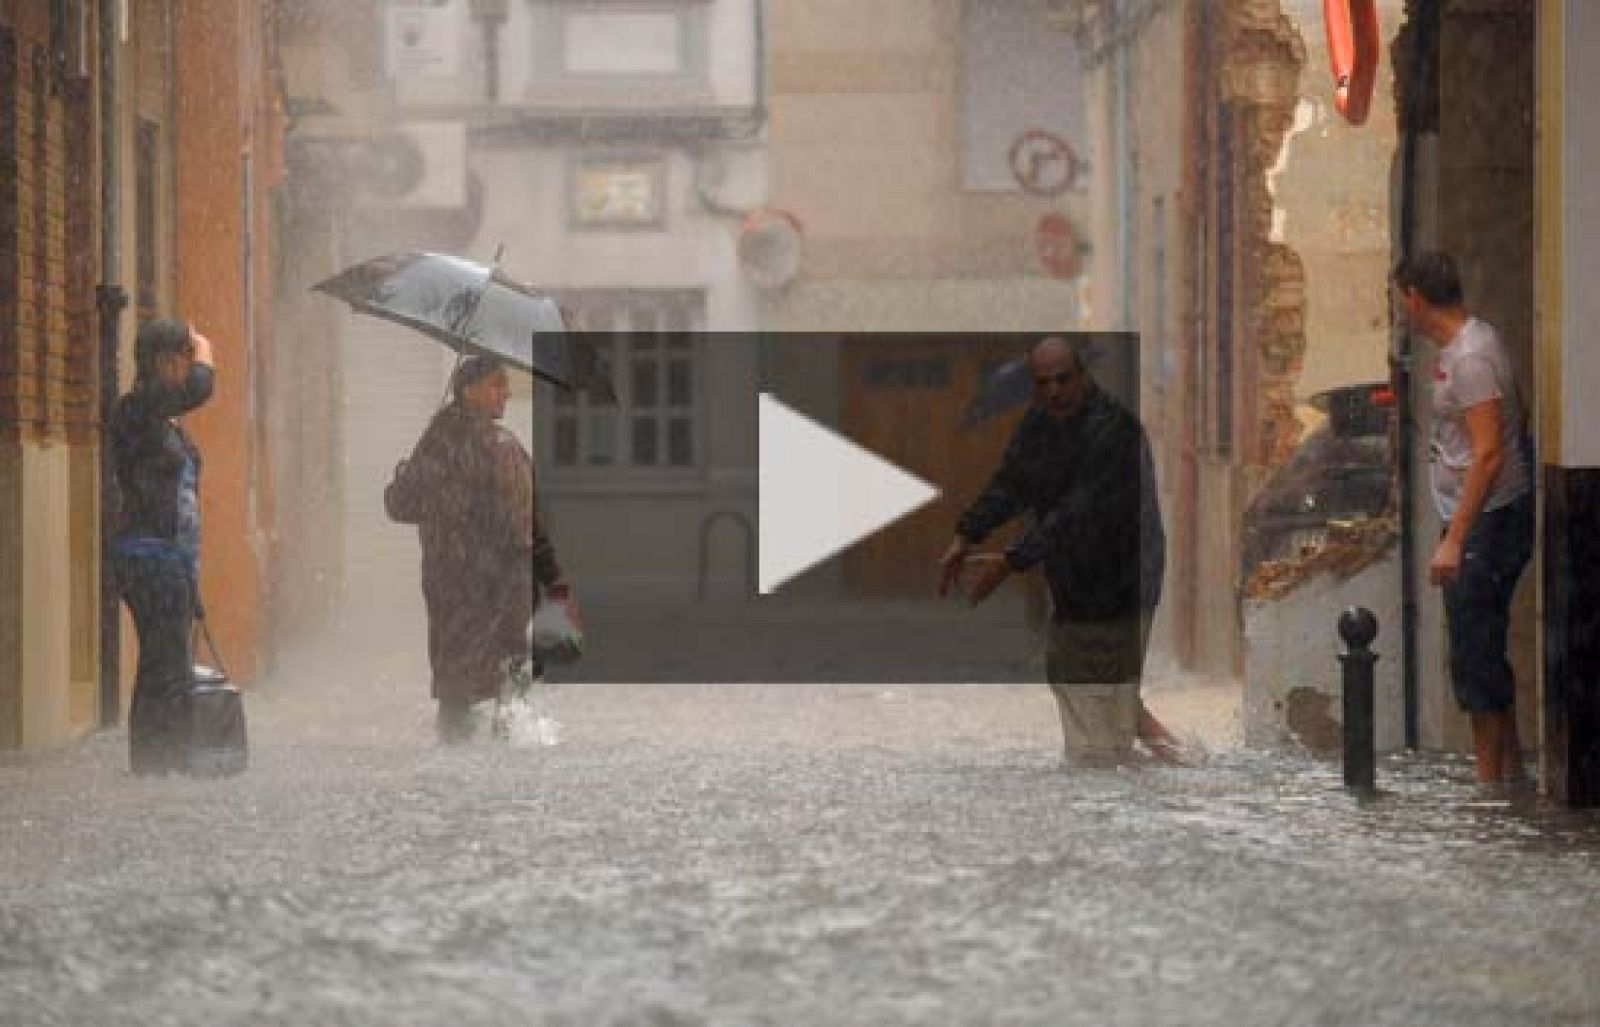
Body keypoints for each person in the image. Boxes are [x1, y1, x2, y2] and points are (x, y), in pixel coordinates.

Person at [938, 336, 1184, 766]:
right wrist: (966, 534)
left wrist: (1009, 562)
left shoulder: (1114, 430)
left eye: (1062, 379)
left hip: (1124, 581)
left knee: (1100, 694)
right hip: (1075, 581)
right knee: (1087, 684)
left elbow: (1077, 512)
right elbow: (1011, 482)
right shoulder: (1039, 424)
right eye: (1043, 382)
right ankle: (1181, 764)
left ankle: (1114, 780)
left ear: (1082, 375)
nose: (1053, 390)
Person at [1393, 250, 1534, 789]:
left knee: (1475, 651)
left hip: (1488, 522)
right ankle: (1509, 773)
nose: (1400, 312)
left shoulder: (1471, 357)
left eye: (1400, 300)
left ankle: (1488, 785)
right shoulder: (1467, 346)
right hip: (1480, 519)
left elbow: (1489, 452)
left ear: (1415, 297)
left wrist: (1454, 540)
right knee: (1484, 643)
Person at [385, 356, 572, 743]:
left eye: (504, 385)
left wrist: (407, 476)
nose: (503, 393)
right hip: (496, 578)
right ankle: (508, 743)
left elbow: (401, 504)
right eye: (494, 385)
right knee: (511, 665)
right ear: (468, 391)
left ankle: (456, 747)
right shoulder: (498, 446)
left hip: (449, 579)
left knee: (455, 674)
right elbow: (524, 520)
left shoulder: (435, 441)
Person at [108, 318, 216, 774]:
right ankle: (160, 765)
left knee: (164, 660)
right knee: (165, 664)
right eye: (178, 359)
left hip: (170, 556)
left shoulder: (160, 418)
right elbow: (196, 390)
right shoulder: (138, 408)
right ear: (156, 362)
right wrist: (206, 357)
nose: (182, 368)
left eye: (185, 359)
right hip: (147, 554)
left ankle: (159, 763)